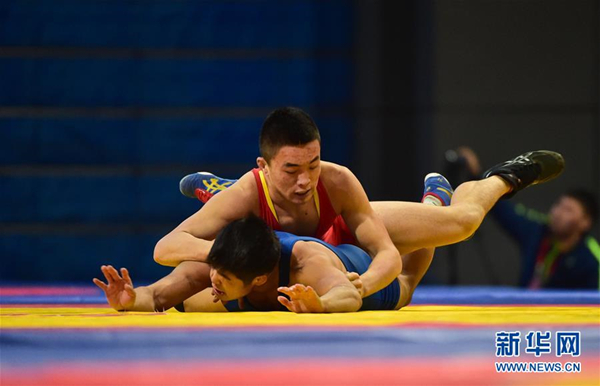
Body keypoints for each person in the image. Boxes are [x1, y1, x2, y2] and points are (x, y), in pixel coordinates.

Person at [151, 107, 564, 309]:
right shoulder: (249, 190)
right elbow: (166, 248)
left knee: (460, 222)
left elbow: (385, 254)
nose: (304, 180)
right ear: (264, 166)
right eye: (291, 169)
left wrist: (360, 287)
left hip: (339, 238)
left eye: (312, 165)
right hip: (283, 243)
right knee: (192, 301)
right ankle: (218, 192)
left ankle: (503, 176)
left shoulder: (337, 180)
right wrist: (225, 255)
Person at [94, 216, 422, 313]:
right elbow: (160, 295)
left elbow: (350, 294)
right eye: (215, 271)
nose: (214, 279)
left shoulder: (307, 265)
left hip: (352, 261)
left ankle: (433, 205)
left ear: (261, 279)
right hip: (264, 254)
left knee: (405, 284)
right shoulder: (216, 262)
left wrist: (320, 303)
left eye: (224, 277)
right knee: (189, 303)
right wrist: (133, 298)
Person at [459, 147, 599, 289]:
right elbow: (506, 212)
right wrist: (477, 177)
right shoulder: (537, 232)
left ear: (585, 222)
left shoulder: (591, 259)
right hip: (525, 308)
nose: (558, 212)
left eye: (568, 210)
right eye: (559, 205)